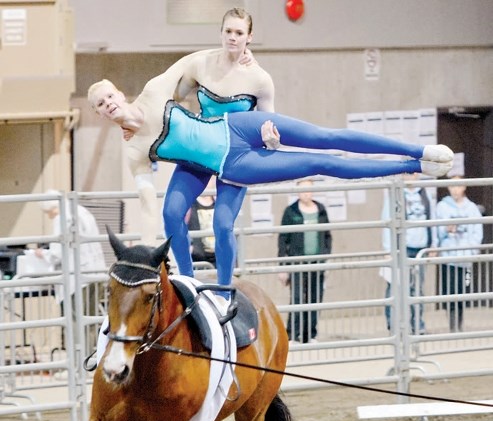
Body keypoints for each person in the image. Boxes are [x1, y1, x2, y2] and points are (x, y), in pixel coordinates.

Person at [88, 75, 454, 299]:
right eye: (101, 105)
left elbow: (197, 62)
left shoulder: (154, 91)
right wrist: (148, 245)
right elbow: (149, 200)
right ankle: (192, 282)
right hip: (228, 165)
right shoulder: (134, 148)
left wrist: (235, 50)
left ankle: (417, 151)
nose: (109, 105)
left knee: (325, 138)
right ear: (100, 113)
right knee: (317, 163)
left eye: (109, 97)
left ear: (119, 93)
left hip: (239, 126)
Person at [164, 8, 276, 292]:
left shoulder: (260, 79)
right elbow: (172, 96)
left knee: (223, 224)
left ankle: (225, 289)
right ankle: (187, 281)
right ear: (221, 32)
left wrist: (270, 140)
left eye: (239, 33)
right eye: (228, 31)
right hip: (200, 150)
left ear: (249, 37)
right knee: (171, 213)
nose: (233, 38)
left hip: (235, 157)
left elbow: (272, 131)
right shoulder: (201, 64)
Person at [36, 197, 106, 353]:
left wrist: (42, 254)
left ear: (52, 208)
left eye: (48, 213)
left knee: (74, 321)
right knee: (91, 321)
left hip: (76, 278)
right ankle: (89, 361)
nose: (49, 217)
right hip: (96, 272)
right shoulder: (83, 212)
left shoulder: (61, 217)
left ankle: (76, 365)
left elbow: (57, 253)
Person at [381, 172, 437, 334]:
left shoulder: (426, 195)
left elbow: (433, 220)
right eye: (407, 173)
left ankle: (417, 325)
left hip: (421, 249)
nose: (410, 176)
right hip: (401, 249)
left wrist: (433, 244)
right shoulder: (394, 195)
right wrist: (387, 249)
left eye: (413, 173)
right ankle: (394, 326)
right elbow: (387, 221)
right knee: (395, 287)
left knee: (417, 289)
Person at [278, 180, 332, 343]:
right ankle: (292, 334)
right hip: (297, 262)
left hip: (317, 262)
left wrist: (325, 256)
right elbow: (283, 239)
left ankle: (310, 334)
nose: (306, 193)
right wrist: (283, 266)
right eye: (302, 190)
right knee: (297, 298)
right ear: (297, 191)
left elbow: (327, 236)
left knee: (315, 298)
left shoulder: (321, 210)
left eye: (309, 190)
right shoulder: (290, 211)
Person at [436, 176, 483, 332]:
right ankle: (452, 324)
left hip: (465, 256)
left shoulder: (471, 208)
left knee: (462, 291)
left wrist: (472, 250)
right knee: (449, 291)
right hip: (448, 256)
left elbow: (477, 231)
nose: (455, 189)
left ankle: (460, 323)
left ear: (464, 187)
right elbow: (436, 229)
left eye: (458, 186)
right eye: (452, 186)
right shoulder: (442, 207)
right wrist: (444, 231)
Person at [186, 194, 217, 267]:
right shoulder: (189, 202)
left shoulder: (219, 201)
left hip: (220, 256)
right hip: (198, 257)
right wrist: (190, 248)